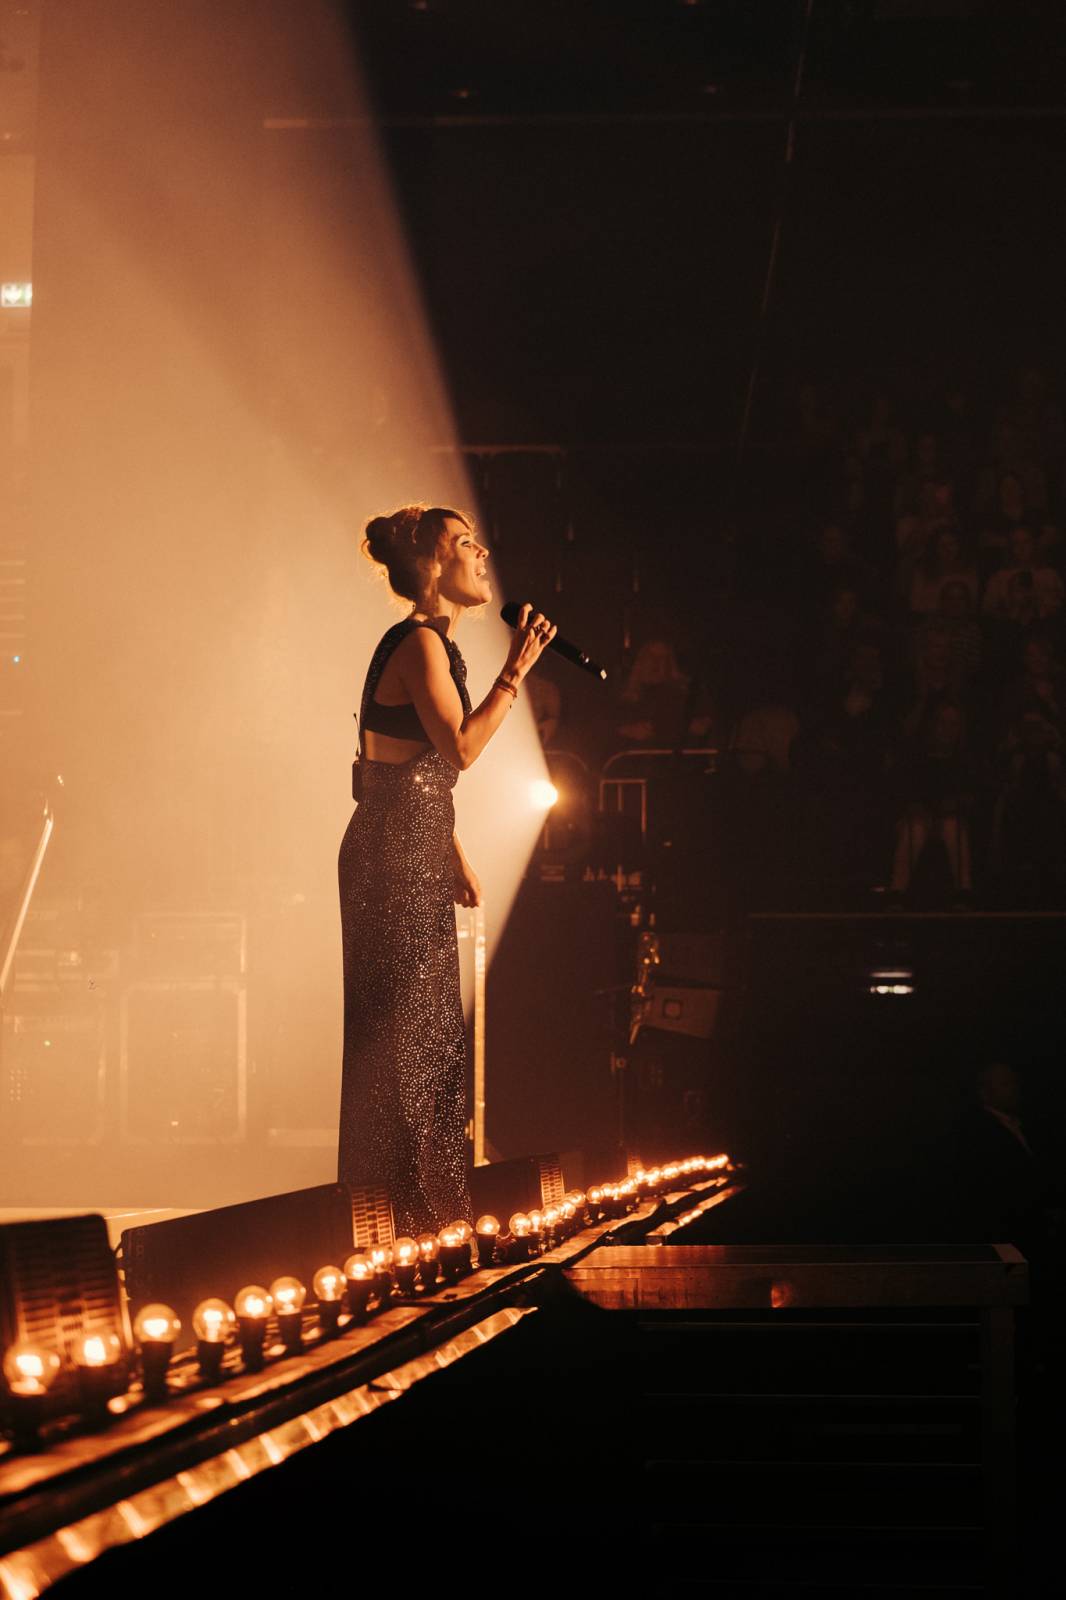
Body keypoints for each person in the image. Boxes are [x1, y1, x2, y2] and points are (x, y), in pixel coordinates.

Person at [337, 504, 556, 1235]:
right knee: (407, 1040)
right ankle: (404, 1221)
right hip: (391, 854)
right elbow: (458, 750)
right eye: (465, 544)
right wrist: (517, 671)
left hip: (409, 843)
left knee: (425, 1037)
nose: (482, 553)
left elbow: (410, 769)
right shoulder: (419, 644)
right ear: (433, 567)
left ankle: (419, 1217)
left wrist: (449, 847)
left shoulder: (436, 647)